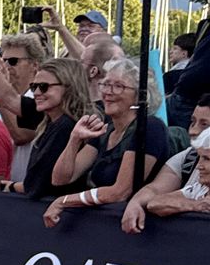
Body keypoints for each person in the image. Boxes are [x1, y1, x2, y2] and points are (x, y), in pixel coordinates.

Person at [46, 56, 171, 224]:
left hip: (135, 226)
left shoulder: (149, 127)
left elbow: (120, 192)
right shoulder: (106, 130)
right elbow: (60, 179)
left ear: (139, 95)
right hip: (102, 222)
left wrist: (65, 201)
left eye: (118, 86)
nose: (108, 92)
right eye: (105, 84)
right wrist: (74, 139)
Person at [121, 97, 210, 231]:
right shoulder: (189, 159)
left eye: (204, 125)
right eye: (193, 122)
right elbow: (155, 194)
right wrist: (136, 203)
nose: (193, 131)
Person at [13, 58, 95, 201]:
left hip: (57, 208)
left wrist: (11, 187)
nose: (36, 92)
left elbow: (39, 184)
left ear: (69, 87)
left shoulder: (67, 126)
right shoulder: (51, 123)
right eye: (33, 86)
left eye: (44, 86)